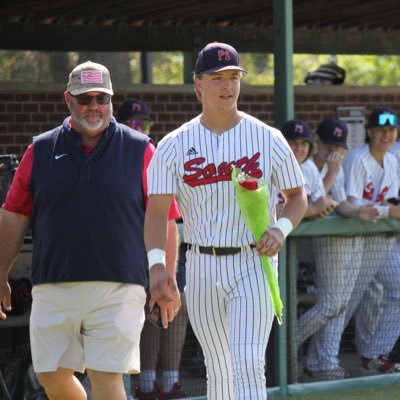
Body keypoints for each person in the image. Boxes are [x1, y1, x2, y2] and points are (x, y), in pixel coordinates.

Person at [0, 61, 181, 400]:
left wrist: (164, 275)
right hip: (53, 282)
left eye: (102, 98)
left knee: (105, 375)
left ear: (112, 101)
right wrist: (0, 271)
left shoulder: (141, 148)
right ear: (68, 100)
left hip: (120, 284)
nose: (94, 106)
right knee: (50, 375)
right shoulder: (39, 149)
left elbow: (165, 219)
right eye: (85, 99)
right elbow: (13, 214)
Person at [143, 42, 307, 400]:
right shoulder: (173, 145)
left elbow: (298, 198)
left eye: (233, 76)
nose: (227, 85)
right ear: (198, 84)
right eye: (217, 77)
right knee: (217, 367)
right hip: (201, 263)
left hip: (253, 260)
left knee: (248, 363)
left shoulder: (268, 138)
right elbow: (157, 212)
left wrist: (281, 229)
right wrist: (158, 266)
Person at [298, 117, 381, 381]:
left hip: (337, 240)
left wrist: (359, 212)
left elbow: (341, 203)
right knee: (331, 303)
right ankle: (287, 344)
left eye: (339, 147)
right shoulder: (306, 167)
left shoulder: (339, 166)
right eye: (329, 146)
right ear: (318, 143)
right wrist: (332, 173)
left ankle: (323, 361)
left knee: (340, 305)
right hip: (306, 244)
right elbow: (313, 206)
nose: (334, 152)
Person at [117, 98, 189, 399]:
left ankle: (170, 381)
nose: (139, 129)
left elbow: (176, 210)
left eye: (144, 124)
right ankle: (144, 385)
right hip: (132, 252)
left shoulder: (158, 153)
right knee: (146, 313)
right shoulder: (114, 156)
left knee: (175, 307)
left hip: (168, 247)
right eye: (133, 123)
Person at [342, 106, 400, 375]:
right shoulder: (357, 157)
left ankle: (375, 354)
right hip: (352, 239)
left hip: (380, 239)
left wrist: (389, 208)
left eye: (391, 130)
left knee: (398, 291)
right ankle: (315, 359)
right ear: (369, 132)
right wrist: (389, 210)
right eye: (380, 130)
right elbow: (353, 201)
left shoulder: (391, 161)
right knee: (345, 301)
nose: (386, 135)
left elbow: (391, 200)